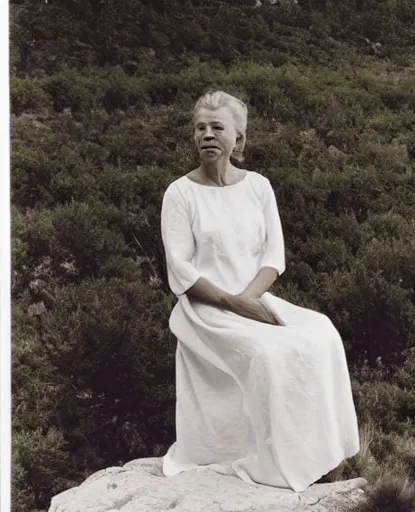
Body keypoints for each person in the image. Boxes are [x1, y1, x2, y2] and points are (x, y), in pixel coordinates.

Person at [160, 91, 359, 492]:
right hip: (205, 310)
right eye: (201, 128)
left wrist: (250, 300)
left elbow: (273, 256)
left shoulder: (259, 187)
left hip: (254, 297)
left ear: (239, 138)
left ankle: (318, 453)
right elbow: (180, 269)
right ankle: (269, 461)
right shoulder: (180, 194)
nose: (207, 135)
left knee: (322, 333)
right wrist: (234, 304)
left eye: (218, 127)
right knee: (268, 353)